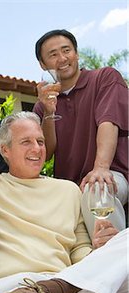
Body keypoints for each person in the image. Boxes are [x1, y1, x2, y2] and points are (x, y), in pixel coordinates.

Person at [0, 111, 127, 293]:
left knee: (126, 240)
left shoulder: (68, 190)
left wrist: (100, 251)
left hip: (65, 284)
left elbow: (78, 249)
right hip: (14, 285)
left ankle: (51, 290)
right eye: (26, 142)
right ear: (4, 150)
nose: (37, 149)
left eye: (40, 142)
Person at [32, 29, 128, 229]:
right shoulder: (42, 104)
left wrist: (100, 168)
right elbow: (46, 153)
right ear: (43, 64)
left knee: (96, 189)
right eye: (53, 54)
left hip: (110, 174)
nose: (62, 58)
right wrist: (48, 112)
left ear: (76, 53)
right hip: (69, 186)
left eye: (66, 50)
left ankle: (116, 259)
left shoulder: (104, 77)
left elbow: (108, 122)